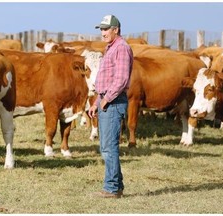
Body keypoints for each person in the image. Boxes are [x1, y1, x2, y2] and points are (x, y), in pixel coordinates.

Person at [88, 14, 133, 199]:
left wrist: (106, 100)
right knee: (107, 146)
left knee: (108, 147)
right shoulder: (112, 47)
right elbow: (106, 79)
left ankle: (111, 188)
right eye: (101, 29)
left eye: (106, 29)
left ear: (116, 30)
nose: (103, 33)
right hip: (107, 100)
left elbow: (121, 79)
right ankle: (117, 186)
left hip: (113, 103)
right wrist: (97, 101)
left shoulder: (121, 48)